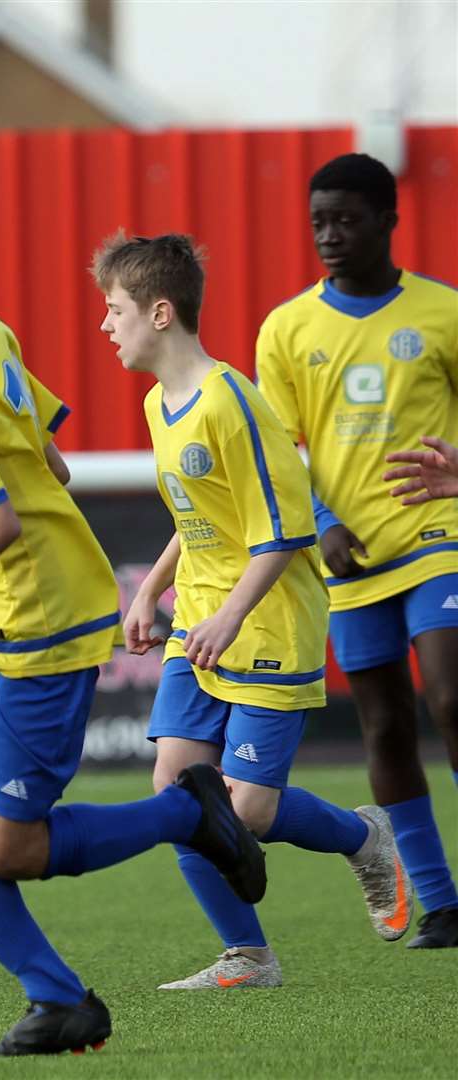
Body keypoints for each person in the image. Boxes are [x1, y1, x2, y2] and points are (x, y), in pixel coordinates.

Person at [0, 170, 264, 1058]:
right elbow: (51, 472)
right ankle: (58, 1000)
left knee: (9, 849)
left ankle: (190, 811)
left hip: (42, 621)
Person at [101, 231, 409, 991]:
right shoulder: (157, 404)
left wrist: (231, 616)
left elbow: (284, 529)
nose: (106, 327)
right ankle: (249, 956)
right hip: (202, 620)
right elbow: (202, 514)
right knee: (178, 794)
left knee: (251, 813)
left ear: (161, 313)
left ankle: (363, 836)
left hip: (267, 620)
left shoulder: (235, 404)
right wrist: (151, 590)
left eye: (115, 311)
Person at [255, 152, 458, 949]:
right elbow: (278, 453)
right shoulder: (288, 328)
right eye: (318, 223)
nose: (329, 237)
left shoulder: (441, 312)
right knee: (384, 725)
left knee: (450, 694)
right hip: (351, 559)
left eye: (345, 220)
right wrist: (323, 520)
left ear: (387, 221)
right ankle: (440, 903)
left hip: (438, 536)